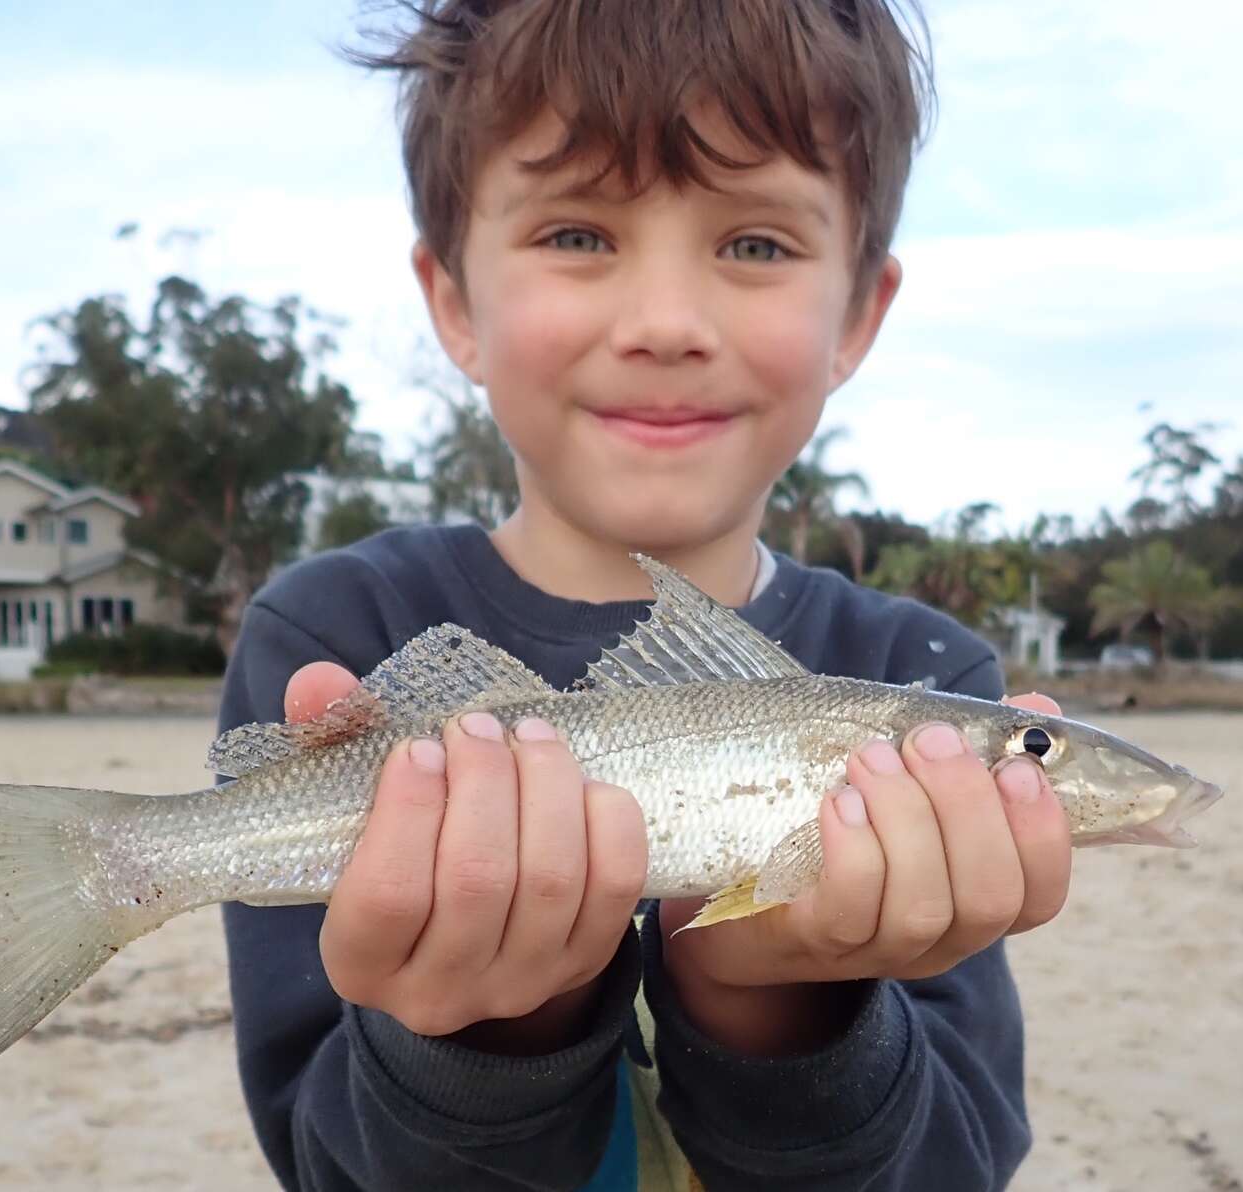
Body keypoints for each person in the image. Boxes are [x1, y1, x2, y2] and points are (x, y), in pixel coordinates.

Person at [215, 3, 1072, 1187]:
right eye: (576, 233)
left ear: (858, 314)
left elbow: (955, 1161)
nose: (665, 324)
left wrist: (773, 999)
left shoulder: (926, 672)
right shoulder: (331, 634)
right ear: (454, 301)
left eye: (756, 245)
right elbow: (320, 1158)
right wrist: (491, 1029)